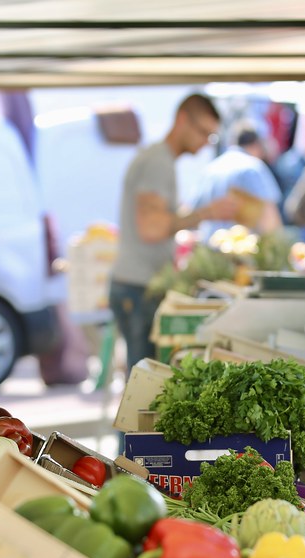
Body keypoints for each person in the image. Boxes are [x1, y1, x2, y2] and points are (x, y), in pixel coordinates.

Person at [108, 94, 237, 373]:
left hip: (137, 284)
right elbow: (152, 228)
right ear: (181, 120)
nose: (205, 143)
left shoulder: (160, 159)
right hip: (139, 285)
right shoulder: (158, 162)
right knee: (143, 385)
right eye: (204, 133)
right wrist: (206, 213)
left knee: (143, 380)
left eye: (211, 137)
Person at [192, 121, 283, 241]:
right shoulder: (253, 168)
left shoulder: (209, 169)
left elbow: (192, 212)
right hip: (241, 252)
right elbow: (269, 217)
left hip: (210, 250)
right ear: (256, 146)